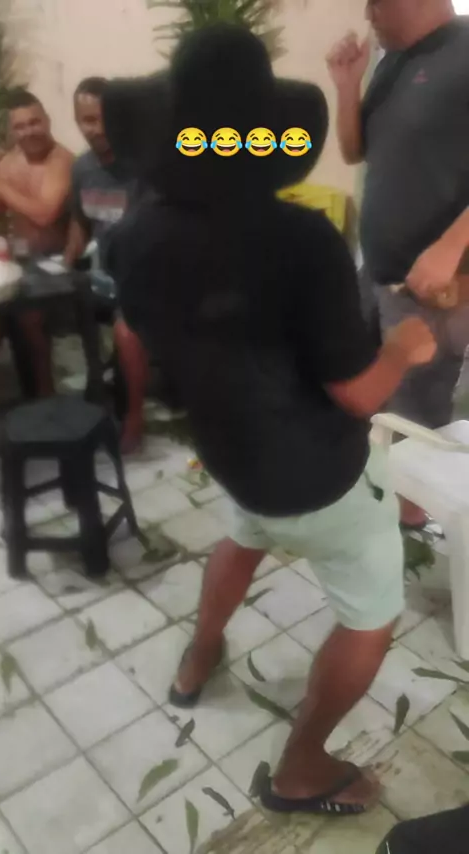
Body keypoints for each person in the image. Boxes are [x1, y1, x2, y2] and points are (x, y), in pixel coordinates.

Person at [105, 23, 436, 814]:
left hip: (230, 451)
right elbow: (356, 395)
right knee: (373, 614)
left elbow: (135, 334)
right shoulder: (300, 240)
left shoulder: (134, 236)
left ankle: (198, 660)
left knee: (244, 533)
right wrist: (404, 348)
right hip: (318, 474)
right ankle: (302, 768)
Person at [327, 0, 469, 529]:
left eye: (375, 1)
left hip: (434, 288)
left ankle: (411, 525)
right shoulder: (393, 60)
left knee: (417, 415)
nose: (367, 14)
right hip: (378, 269)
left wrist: (450, 246)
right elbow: (355, 151)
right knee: (369, 386)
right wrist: (347, 85)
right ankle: (378, 488)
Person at [64, 77, 149, 452]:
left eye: (101, 118)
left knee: (126, 332)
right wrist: (66, 266)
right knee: (39, 306)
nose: (94, 129)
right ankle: (58, 403)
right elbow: (79, 222)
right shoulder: (82, 168)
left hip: (140, 277)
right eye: (86, 120)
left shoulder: (143, 165)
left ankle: (134, 418)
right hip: (99, 275)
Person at [0, 89, 73, 395]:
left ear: (47, 121)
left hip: (50, 266)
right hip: (10, 262)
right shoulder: (6, 160)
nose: (28, 132)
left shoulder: (61, 160)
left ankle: (45, 397)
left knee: (30, 319)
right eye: (20, 126)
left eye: (34, 122)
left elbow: (44, 214)